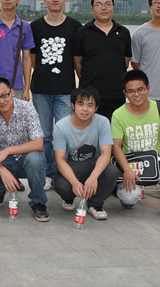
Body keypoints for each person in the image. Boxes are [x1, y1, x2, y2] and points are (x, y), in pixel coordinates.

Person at [111, 69, 160, 220]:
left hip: (155, 162)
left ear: (148, 89)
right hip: (132, 166)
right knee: (129, 198)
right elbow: (116, 146)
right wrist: (126, 169)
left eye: (140, 89)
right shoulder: (118, 114)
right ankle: (133, 191)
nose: (136, 94)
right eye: (131, 91)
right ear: (125, 93)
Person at [0, 77, 50, 222]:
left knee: (35, 159)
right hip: (1, 162)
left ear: (12, 92)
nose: (1, 101)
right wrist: (1, 170)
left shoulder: (27, 109)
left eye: (5, 95)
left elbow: (38, 143)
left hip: (25, 160)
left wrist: (8, 150)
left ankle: (38, 202)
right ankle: (3, 187)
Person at [30, 0, 82, 191]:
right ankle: (48, 173)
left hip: (65, 89)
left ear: (65, 0)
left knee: (63, 134)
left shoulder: (75, 26)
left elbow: (77, 58)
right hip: (41, 89)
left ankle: (63, 173)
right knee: (44, 135)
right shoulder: (35, 26)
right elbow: (32, 58)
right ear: (44, 0)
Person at [52, 85, 119, 220]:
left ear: (96, 108)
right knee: (62, 185)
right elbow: (60, 160)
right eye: (80, 104)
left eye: (90, 105)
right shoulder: (61, 126)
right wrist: (74, 182)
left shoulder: (103, 122)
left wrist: (93, 177)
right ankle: (69, 198)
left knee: (111, 172)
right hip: (72, 166)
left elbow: (106, 154)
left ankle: (95, 204)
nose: (85, 109)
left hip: (93, 164)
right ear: (73, 105)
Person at [73, 0, 132, 122]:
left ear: (113, 7)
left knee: (115, 131)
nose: (103, 8)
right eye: (98, 5)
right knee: (89, 131)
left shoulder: (123, 32)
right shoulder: (83, 32)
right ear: (92, 8)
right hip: (89, 95)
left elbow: (126, 61)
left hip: (116, 93)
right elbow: (77, 62)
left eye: (107, 4)